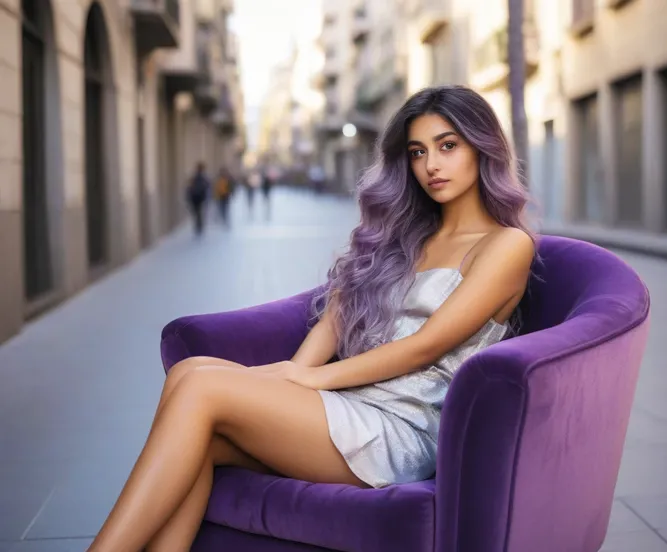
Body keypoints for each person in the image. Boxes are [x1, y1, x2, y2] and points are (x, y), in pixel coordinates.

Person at [88, 85, 537, 551]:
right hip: (349, 407)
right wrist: (295, 374)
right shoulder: (403, 234)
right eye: (418, 152)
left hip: (400, 431)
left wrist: (307, 380)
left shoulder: (505, 244)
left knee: (202, 386)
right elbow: (334, 322)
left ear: (481, 147)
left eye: (448, 146)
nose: (431, 166)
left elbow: (425, 346)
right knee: (189, 375)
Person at [186, 162, 210, 236]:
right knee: (199, 213)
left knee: (196, 213)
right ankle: (199, 225)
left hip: (195, 198)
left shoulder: (194, 177)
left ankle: (198, 225)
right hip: (199, 198)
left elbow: (189, 188)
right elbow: (207, 187)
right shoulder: (203, 177)